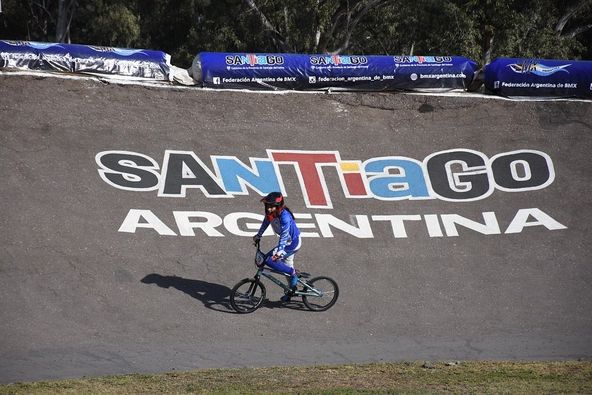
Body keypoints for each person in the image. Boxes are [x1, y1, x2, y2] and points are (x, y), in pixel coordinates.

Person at [252, 192, 302, 302]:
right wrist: (258, 235)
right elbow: (265, 222)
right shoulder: (271, 213)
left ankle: (293, 273)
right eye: (267, 206)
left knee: (271, 261)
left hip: (292, 244)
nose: (268, 209)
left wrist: (279, 252)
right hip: (285, 244)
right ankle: (292, 290)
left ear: (278, 207)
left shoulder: (285, 217)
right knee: (285, 268)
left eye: (271, 207)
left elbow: (284, 235)